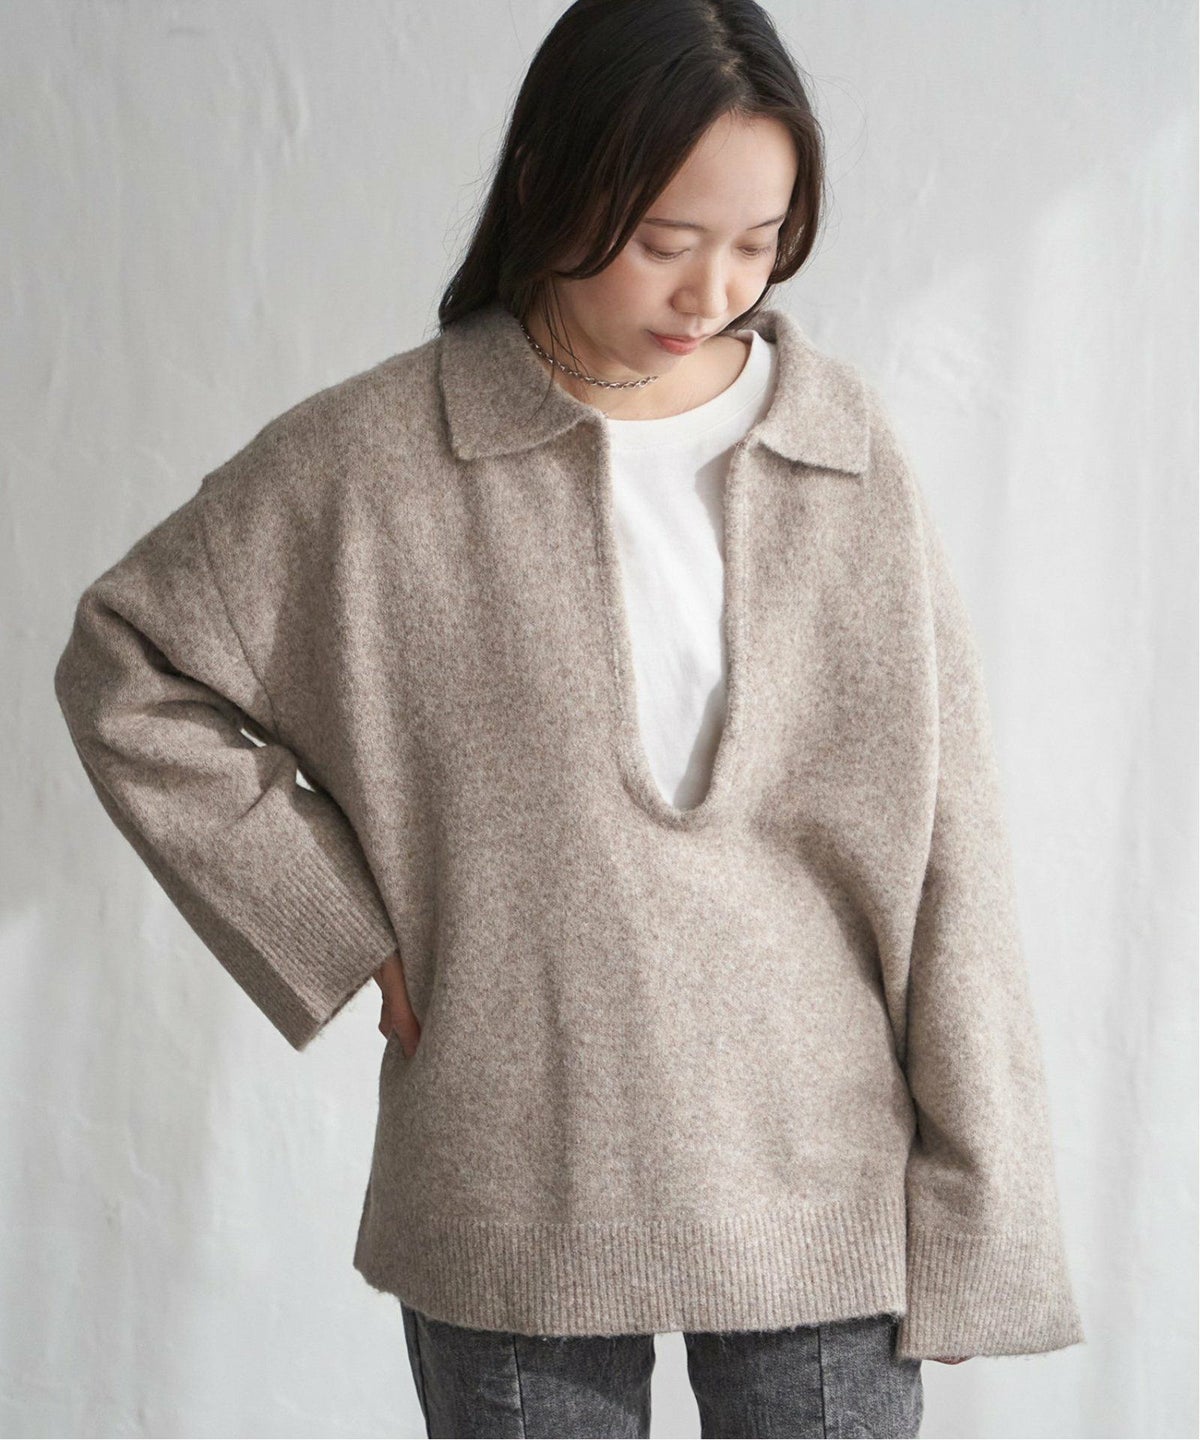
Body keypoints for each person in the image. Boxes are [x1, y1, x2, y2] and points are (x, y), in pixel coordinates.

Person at [53, 0, 1084, 1435]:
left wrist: (982, 1219)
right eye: (665, 239)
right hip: (511, 1177)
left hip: (823, 1187)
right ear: (550, 180)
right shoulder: (377, 461)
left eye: (759, 241)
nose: (712, 289)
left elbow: (948, 859)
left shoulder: (838, 451)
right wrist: (330, 924)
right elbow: (128, 664)